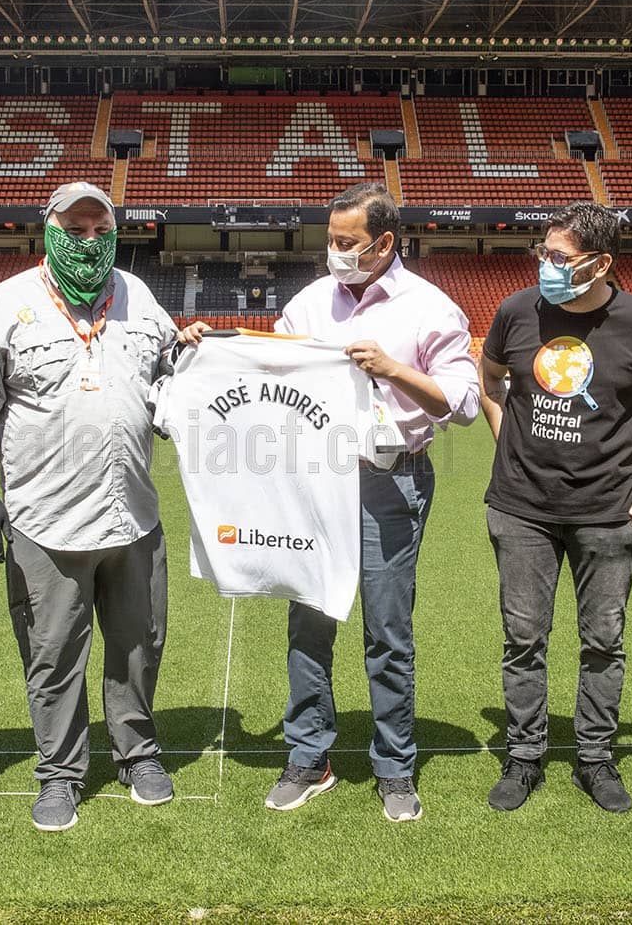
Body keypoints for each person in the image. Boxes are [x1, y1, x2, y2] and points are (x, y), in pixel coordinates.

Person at [180, 181, 482, 822]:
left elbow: (463, 404)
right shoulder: (311, 302)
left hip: (389, 480)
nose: (335, 253)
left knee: (387, 630)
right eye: (331, 241)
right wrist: (215, 343)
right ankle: (306, 756)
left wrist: (395, 369)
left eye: (348, 243)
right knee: (309, 621)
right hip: (313, 480)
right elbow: (272, 367)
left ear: (385, 242)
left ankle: (395, 768)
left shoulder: (430, 309)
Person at [0, 182, 178, 832]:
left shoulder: (139, 295)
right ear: (46, 228)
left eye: (99, 229)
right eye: (73, 228)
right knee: (53, 655)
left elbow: (172, 374)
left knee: (139, 644)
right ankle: (60, 772)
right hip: (46, 522)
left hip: (133, 515)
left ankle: (138, 753)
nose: (87, 240)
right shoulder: (1, 306)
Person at [478, 201, 632, 815]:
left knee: (603, 639)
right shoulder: (516, 311)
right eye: (543, 253)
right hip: (520, 508)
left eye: (560, 257)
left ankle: (595, 760)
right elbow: (488, 378)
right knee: (524, 637)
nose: (546, 264)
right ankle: (524, 758)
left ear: (600, 264)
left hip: (608, 511)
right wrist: (507, 440)